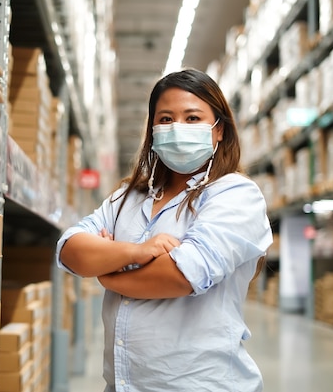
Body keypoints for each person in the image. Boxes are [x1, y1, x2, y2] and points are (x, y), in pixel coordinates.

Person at [55, 68, 272, 392]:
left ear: (219, 131)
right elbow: (70, 250)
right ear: (153, 130)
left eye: (193, 118)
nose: (178, 128)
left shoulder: (235, 194)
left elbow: (182, 275)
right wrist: (136, 252)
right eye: (166, 119)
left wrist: (107, 272)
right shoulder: (127, 197)